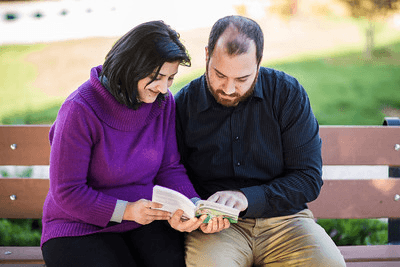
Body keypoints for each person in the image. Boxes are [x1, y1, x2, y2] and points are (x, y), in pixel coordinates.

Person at [175, 15, 346, 266]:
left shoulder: (287, 94)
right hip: (218, 229)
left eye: (242, 79)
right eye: (219, 74)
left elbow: (308, 178)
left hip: (286, 222)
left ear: (259, 62)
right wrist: (192, 207)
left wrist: (247, 198)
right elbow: (172, 172)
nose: (229, 88)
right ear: (207, 55)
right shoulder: (184, 104)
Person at [41, 20, 212, 267]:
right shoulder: (79, 110)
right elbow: (67, 191)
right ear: (132, 67)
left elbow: (169, 168)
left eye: (171, 78)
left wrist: (192, 205)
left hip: (142, 221)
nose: (164, 88)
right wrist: (127, 210)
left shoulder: (163, 104)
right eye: (158, 77)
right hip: (77, 226)